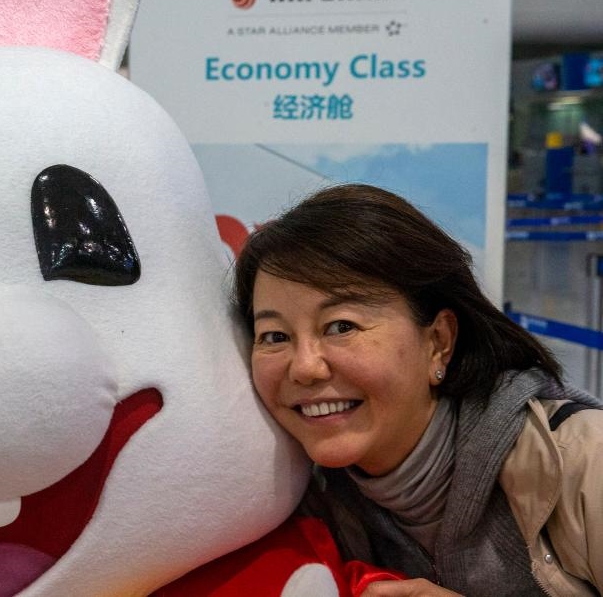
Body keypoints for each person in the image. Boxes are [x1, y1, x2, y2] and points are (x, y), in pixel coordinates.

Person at [234, 184, 603, 596]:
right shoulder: (304, 507)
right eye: (274, 336)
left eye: (341, 326)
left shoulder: (582, 460)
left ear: (438, 342)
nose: (305, 368)